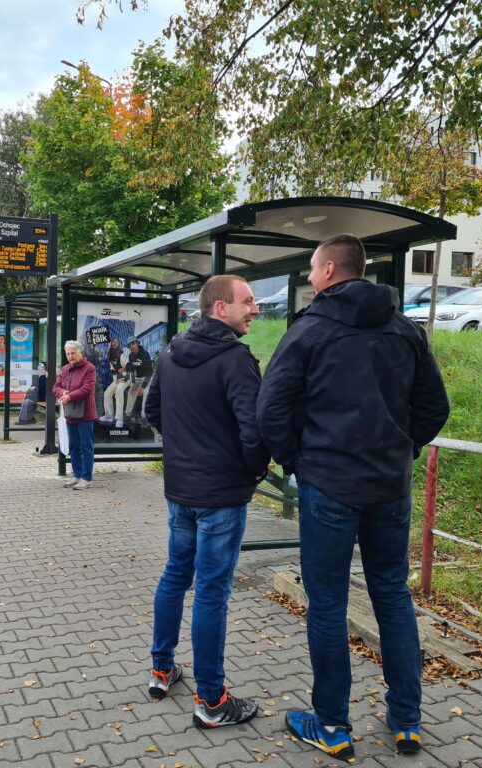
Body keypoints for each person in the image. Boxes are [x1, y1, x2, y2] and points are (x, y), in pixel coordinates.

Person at [256, 234, 450, 760]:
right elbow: (435, 408)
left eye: (315, 269)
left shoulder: (309, 331)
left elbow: (271, 408)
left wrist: (299, 460)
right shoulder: (405, 330)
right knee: (392, 595)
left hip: (329, 487)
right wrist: (401, 449)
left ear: (327, 271)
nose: (313, 276)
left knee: (328, 604)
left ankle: (333, 727)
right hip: (389, 488)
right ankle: (407, 721)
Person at [144, 275, 269, 728]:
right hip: (221, 495)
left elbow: (151, 411)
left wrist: (182, 452)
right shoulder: (235, 360)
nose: (254, 309)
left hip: (181, 492)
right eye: (248, 301)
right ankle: (212, 701)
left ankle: (162, 671)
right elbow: (253, 430)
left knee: (175, 576)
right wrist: (253, 471)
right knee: (212, 593)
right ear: (221, 308)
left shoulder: (172, 351)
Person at [53, 340, 97, 490]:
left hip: (86, 414)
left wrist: (69, 396)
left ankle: (87, 478)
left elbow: (87, 389)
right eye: (68, 354)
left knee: (86, 446)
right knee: (73, 445)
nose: (70, 356)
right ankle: (77, 475)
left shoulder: (89, 368)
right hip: (70, 414)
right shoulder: (65, 369)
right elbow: (56, 387)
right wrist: (62, 392)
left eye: (73, 353)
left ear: (80, 352)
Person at [100, 339, 129, 428]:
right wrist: (117, 378)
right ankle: (109, 415)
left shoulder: (121, 355)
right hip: (117, 379)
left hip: (127, 378)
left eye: (114, 344)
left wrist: (124, 373)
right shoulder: (111, 358)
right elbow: (113, 371)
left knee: (119, 390)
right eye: (111, 345)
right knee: (107, 393)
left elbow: (129, 367)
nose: (111, 347)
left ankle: (119, 418)